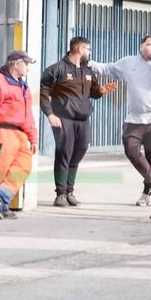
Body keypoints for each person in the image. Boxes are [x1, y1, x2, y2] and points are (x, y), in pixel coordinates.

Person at [91, 36, 151, 207]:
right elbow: (108, 68)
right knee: (130, 148)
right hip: (135, 118)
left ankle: (147, 193)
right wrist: (89, 63)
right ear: (141, 46)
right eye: (149, 44)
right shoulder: (129, 62)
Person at [39, 36, 117, 207]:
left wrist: (101, 90)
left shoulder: (87, 71)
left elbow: (94, 92)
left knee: (79, 152)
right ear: (80, 49)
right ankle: (60, 194)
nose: (89, 52)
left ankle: (70, 191)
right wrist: (50, 115)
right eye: (88, 49)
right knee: (64, 154)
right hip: (63, 119)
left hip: (83, 120)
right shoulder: (56, 69)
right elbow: (43, 94)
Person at [0, 50, 39, 220]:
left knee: (24, 166)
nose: (28, 68)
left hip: (20, 135)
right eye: (26, 64)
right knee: (1, 169)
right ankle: (1, 205)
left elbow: (29, 115)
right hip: (2, 132)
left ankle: (1, 196)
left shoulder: (22, 86)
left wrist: (32, 137)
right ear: (16, 64)